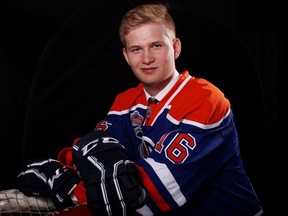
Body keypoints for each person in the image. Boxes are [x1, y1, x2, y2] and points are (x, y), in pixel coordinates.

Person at [16, 3, 263, 216]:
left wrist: (66, 187)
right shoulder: (126, 101)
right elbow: (94, 156)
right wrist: (71, 165)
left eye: (156, 46)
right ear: (126, 55)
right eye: (136, 49)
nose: (146, 59)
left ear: (175, 48)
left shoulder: (206, 100)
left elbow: (150, 194)